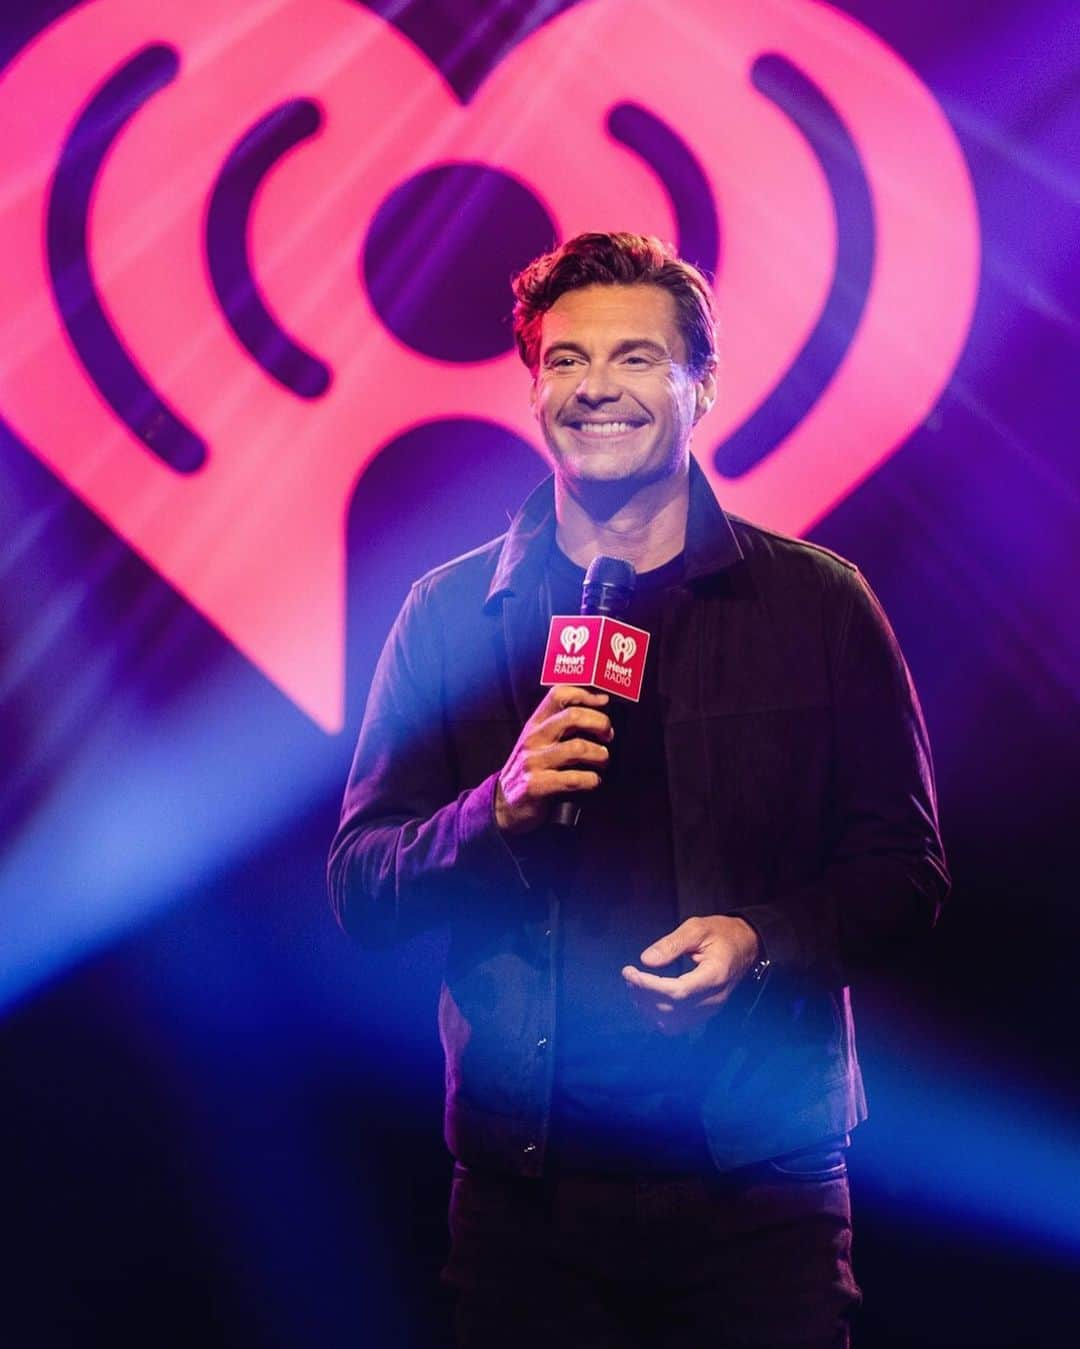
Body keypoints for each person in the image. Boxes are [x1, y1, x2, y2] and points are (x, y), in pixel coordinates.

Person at [327, 232, 949, 1348]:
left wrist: (758, 940)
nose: (596, 388)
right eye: (566, 361)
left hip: (761, 1186)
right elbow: (362, 887)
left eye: (634, 358)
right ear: (532, 390)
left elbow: (907, 876)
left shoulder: (817, 605)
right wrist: (492, 810)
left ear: (701, 385)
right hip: (531, 1204)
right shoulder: (448, 614)